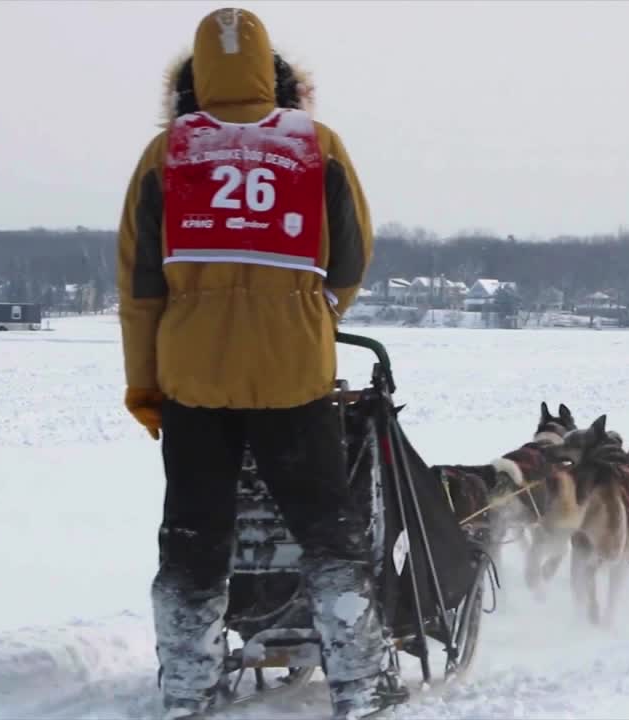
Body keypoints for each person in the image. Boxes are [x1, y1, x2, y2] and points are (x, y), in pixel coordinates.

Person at [114, 8, 403, 719]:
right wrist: (310, 316)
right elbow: (351, 259)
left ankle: (187, 690)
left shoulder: (168, 156)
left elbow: (140, 285)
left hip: (193, 379)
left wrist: (144, 384)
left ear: (193, 81)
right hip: (293, 377)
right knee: (329, 532)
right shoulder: (318, 145)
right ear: (277, 75)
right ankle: (360, 684)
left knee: (192, 535)